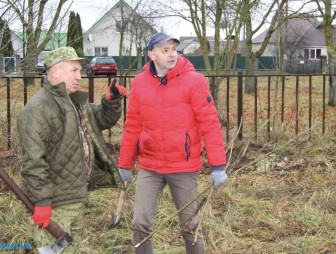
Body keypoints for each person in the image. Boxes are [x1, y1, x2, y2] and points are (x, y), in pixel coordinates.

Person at [117, 32, 228, 254]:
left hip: (183, 166)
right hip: (150, 165)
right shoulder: (139, 84)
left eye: (173, 50)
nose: (171, 55)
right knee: (140, 223)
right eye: (164, 50)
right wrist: (125, 164)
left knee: (190, 226)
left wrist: (218, 166)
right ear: (152, 55)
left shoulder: (194, 81)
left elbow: (209, 124)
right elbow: (132, 126)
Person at [17, 47, 126, 253]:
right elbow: (33, 161)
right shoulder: (38, 109)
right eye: (73, 70)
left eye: (79, 70)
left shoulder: (74, 102)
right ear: (55, 71)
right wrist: (42, 203)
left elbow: (102, 119)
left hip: (75, 197)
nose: (80, 76)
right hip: (55, 205)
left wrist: (110, 102)